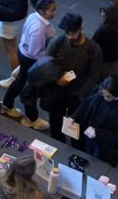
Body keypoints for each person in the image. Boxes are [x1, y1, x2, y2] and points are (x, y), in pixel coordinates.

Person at [29, 13, 103, 141]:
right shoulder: (59, 41)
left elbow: (94, 76)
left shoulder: (93, 49)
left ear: (81, 29)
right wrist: (57, 79)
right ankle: (59, 142)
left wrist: (81, 94)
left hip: (76, 94)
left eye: (73, 33)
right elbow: (46, 62)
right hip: (57, 92)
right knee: (56, 122)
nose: (70, 37)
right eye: (67, 33)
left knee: (77, 125)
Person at [1, 0, 57, 116]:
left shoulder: (33, 16)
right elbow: (34, 52)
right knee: (31, 87)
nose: (54, 13)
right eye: (51, 10)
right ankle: (30, 117)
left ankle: (7, 104)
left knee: (20, 80)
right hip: (30, 59)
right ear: (42, 11)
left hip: (23, 52)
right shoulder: (40, 29)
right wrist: (49, 58)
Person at [72, 77, 118, 166]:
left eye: (108, 96)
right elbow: (85, 106)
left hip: (103, 145)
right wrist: (74, 117)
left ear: (117, 95)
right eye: (103, 94)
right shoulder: (99, 95)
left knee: (97, 165)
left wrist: (98, 133)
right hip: (86, 136)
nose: (105, 98)